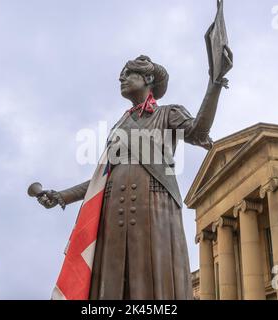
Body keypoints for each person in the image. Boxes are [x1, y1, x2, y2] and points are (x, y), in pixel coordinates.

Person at [36, 54, 230, 299]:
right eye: (122, 74)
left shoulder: (168, 113)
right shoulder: (119, 126)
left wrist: (215, 83)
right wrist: (62, 196)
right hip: (112, 208)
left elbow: (198, 130)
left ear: (148, 78)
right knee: (111, 280)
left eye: (129, 74)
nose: (121, 78)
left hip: (154, 205)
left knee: (152, 274)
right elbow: (100, 179)